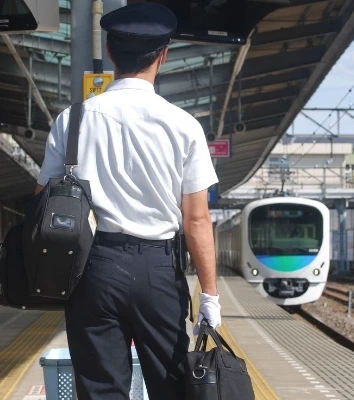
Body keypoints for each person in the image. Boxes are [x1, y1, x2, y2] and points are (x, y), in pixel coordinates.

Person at [35, 3, 221, 399]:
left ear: (109, 51)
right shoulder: (184, 126)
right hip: (160, 270)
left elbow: (43, 201)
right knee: (174, 386)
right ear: (163, 56)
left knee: (100, 389)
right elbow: (197, 220)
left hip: (91, 269)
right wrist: (209, 295)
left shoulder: (72, 120)